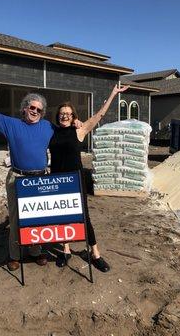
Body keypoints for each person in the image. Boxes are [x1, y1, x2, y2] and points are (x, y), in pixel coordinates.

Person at [49, 84, 129, 271]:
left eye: (68, 113)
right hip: (56, 182)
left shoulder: (80, 130)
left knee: (84, 217)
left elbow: (99, 115)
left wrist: (113, 94)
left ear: (74, 116)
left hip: (75, 181)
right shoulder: (52, 131)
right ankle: (66, 250)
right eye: (62, 113)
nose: (64, 116)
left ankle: (95, 253)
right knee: (62, 217)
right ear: (57, 115)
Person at [0, 75, 55, 271]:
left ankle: (35, 251)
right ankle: (14, 254)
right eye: (32, 108)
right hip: (18, 178)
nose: (35, 111)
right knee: (15, 218)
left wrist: (76, 123)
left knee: (37, 217)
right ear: (25, 108)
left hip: (39, 178)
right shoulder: (12, 124)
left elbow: (64, 132)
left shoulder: (47, 127)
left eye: (39, 110)